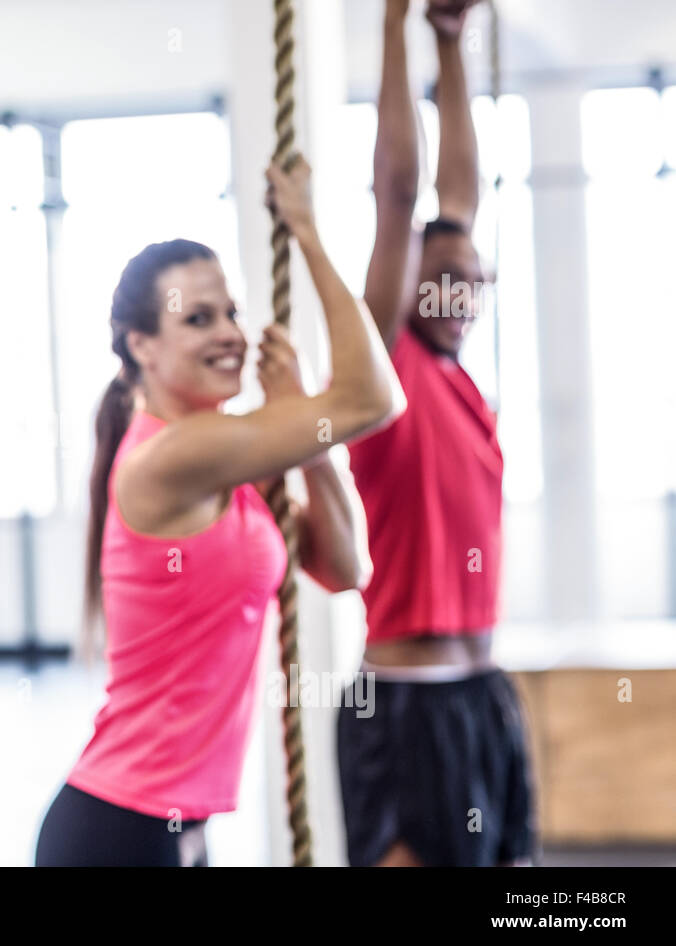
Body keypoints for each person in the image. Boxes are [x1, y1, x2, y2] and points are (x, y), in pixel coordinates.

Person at [34, 157, 405, 866]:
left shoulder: (229, 464)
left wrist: (309, 437)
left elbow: (347, 567)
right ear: (141, 346)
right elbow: (372, 398)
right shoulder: (173, 456)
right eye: (198, 319)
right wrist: (307, 231)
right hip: (118, 832)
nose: (231, 333)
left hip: (179, 830)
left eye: (232, 313)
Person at [337, 0, 536, 867]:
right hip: (405, 705)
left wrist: (450, 45)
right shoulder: (387, 371)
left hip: (483, 694)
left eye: (476, 279)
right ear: (407, 276)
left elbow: (463, 193)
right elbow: (402, 195)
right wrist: (393, 27)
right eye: (445, 277)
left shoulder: (464, 387)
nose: (464, 294)